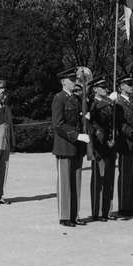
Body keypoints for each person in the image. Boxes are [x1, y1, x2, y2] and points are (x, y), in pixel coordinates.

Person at [51, 68, 90, 227]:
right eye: (72, 80)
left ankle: (74, 214)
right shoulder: (59, 99)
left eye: (76, 79)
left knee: (76, 181)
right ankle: (65, 216)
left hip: (76, 146)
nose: (75, 82)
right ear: (63, 82)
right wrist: (76, 135)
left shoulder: (76, 99)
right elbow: (58, 125)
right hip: (65, 145)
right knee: (65, 183)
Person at [88, 76, 117, 222]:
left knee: (109, 179)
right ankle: (98, 211)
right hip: (99, 142)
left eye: (106, 87)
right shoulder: (92, 103)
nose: (106, 89)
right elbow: (94, 115)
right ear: (94, 89)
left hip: (110, 143)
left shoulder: (109, 103)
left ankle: (107, 210)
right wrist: (109, 102)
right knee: (99, 178)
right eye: (102, 87)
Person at [115, 76, 133, 217]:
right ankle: (124, 207)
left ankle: (131, 206)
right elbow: (123, 126)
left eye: (132, 84)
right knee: (126, 177)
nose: (132, 86)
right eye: (128, 84)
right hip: (126, 144)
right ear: (121, 87)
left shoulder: (132, 102)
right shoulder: (119, 103)